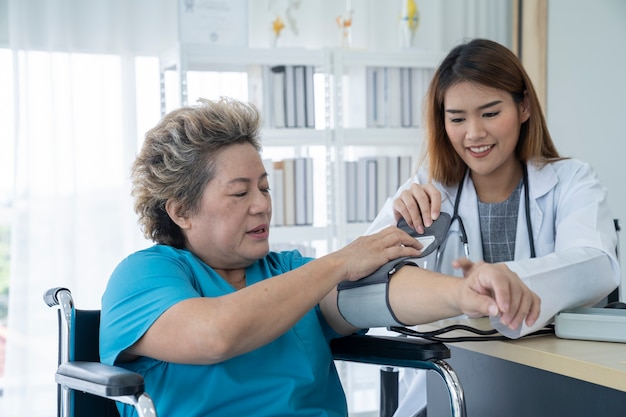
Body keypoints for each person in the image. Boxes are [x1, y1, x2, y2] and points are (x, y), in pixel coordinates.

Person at [99, 97, 539, 417]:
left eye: (265, 187)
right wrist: (337, 262)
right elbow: (214, 335)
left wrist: (464, 294)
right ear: (180, 211)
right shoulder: (143, 276)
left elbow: (384, 294)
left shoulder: (288, 270)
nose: (262, 205)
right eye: (240, 192)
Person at [366, 38, 621, 416]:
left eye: (489, 113)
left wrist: (503, 278)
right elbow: (358, 279)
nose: (473, 134)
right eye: (457, 118)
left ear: (524, 107)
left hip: (549, 382)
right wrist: (393, 230)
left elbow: (598, 264)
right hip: (447, 387)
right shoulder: (426, 191)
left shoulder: (571, 180)